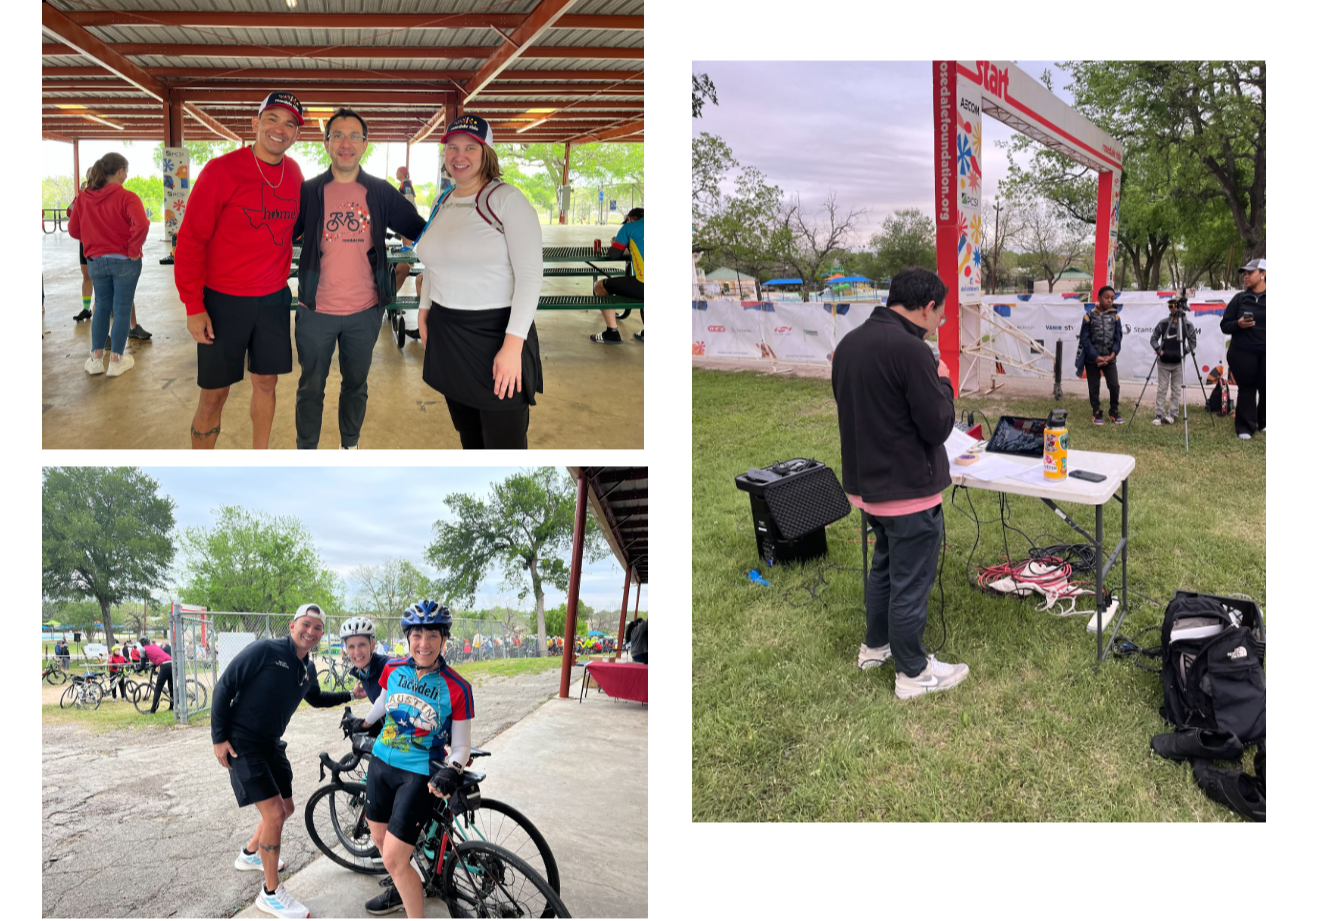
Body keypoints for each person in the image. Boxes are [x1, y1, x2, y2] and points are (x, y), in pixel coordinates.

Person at [831, 267, 969, 700]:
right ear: (928, 308)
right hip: (908, 492)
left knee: (886, 569)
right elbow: (938, 425)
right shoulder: (912, 351)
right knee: (910, 581)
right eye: (941, 316)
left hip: (866, 488)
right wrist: (944, 380)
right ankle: (913, 671)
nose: (940, 324)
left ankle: (875, 646)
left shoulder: (850, 343)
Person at [290, 109, 428, 450]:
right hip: (315, 309)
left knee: (355, 384)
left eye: (354, 136)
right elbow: (278, 235)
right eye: (337, 135)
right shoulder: (309, 191)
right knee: (310, 387)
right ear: (326, 144)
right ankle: (306, 450)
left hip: (364, 311)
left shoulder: (380, 192)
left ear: (366, 144)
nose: (345, 143)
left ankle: (349, 445)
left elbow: (421, 229)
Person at [175, 92, 305, 450]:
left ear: (296, 135)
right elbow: (189, 242)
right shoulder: (221, 171)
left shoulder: (294, 174)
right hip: (223, 302)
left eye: (290, 124)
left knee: (267, 384)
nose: (280, 129)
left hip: (273, 300)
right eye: (272, 119)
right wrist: (193, 305)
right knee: (214, 394)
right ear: (255, 123)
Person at [210, 603, 352, 919]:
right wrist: (218, 737)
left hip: (271, 744)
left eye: (317, 627)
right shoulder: (264, 650)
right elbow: (224, 687)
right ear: (292, 626)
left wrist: (350, 696)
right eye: (306, 624)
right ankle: (271, 892)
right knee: (274, 814)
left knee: (285, 809)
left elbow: (315, 698)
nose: (311, 631)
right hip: (242, 743)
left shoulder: (307, 669)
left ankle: (251, 854)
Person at [414, 115, 544, 449]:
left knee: (505, 443)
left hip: (496, 334)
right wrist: (424, 309)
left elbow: (530, 277)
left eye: (471, 147)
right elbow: (434, 262)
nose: (460, 155)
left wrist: (513, 346)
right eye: (452, 147)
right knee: (469, 436)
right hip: (447, 332)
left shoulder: (506, 200)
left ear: (486, 152)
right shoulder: (442, 201)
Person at [345, 601, 474, 917]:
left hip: (416, 775)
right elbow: (383, 702)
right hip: (380, 765)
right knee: (379, 839)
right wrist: (363, 723)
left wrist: (453, 768)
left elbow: (462, 747)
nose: (424, 643)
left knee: (393, 860)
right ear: (408, 638)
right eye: (417, 635)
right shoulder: (393, 668)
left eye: (433, 635)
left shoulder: (458, 688)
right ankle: (406, 886)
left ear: (445, 639)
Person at [67, 153, 150, 378]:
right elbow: (141, 224)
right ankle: (116, 361)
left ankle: (95, 360)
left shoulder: (83, 198)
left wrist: (94, 238)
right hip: (125, 261)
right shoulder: (127, 197)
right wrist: (133, 248)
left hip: (96, 261)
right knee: (122, 309)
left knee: (102, 307)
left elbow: (74, 230)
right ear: (120, 171)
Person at [1221, 259, 1266, 440]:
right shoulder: (1239, 299)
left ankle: (1264, 422)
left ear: (1263, 274)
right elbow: (1225, 325)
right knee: (1247, 388)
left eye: (1250, 273)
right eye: (1244, 274)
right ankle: (1245, 427)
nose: (1245, 277)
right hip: (1243, 352)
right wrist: (1238, 324)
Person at [589, 207, 644, 344]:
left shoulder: (629, 228)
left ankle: (612, 332)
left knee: (600, 286)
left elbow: (614, 254)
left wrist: (619, 243)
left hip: (643, 285)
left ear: (629, 220)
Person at [1078, 286, 1124, 424]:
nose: (1110, 300)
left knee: (1114, 385)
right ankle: (1096, 412)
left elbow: (1118, 337)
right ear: (1098, 298)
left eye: (1112, 298)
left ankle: (1114, 411)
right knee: (1094, 386)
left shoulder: (1115, 316)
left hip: (1110, 359)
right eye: (1106, 297)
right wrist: (1095, 356)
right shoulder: (1089, 316)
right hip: (1092, 360)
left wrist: (1112, 355)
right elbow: (1084, 339)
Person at [1149, 299, 1199, 425]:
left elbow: (1193, 343)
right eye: (1170, 306)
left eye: (1175, 306)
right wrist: (1158, 350)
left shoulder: (1187, 325)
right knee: (1162, 388)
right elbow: (1153, 339)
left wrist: (1183, 353)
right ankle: (1159, 414)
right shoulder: (1163, 323)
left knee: (1176, 389)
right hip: (1163, 362)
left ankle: (1173, 414)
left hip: (1178, 362)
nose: (1172, 309)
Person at [340, 616, 388, 704]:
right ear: (346, 649)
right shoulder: (362, 670)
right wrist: (353, 694)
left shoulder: (387, 667)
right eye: (351, 646)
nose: (357, 652)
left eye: (362, 645)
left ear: (372, 646)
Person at [141, 636, 173, 713]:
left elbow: (142, 665)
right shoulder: (155, 646)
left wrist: (137, 669)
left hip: (165, 665)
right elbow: (159, 657)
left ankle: (153, 710)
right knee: (171, 686)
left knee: (158, 688)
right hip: (172, 663)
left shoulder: (142, 649)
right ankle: (172, 707)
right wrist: (153, 665)